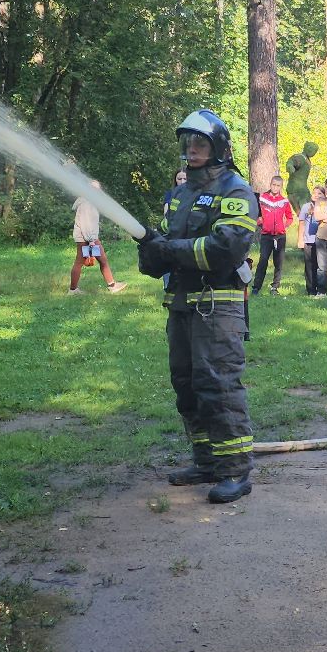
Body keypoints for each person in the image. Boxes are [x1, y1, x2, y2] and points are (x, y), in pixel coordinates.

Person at [136, 110, 258, 504]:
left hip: (217, 308)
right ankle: (206, 459)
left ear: (219, 147)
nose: (191, 150)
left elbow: (227, 248)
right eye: (187, 142)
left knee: (217, 384)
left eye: (200, 143)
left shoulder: (236, 191)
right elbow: (168, 255)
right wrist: (152, 252)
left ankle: (234, 470)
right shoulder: (179, 194)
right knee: (186, 384)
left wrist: (171, 249)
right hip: (181, 305)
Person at [70, 181, 126, 295]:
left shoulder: (89, 202)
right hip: (88, 239)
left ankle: (74, 289)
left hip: (86, 239)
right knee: (97, 261)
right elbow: (86, 224)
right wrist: (91, 241)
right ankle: (112, 286)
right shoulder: (87, 204)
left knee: (97, 260)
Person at [252, 174, 293, 295]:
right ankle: (256, 287)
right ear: (270, 185)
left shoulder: (284, 201)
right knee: (263, 260)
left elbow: (290, 217)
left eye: (278, 186)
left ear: (281, 187)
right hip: (266, 235)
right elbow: (256, 213)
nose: (275, 187)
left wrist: (283, 225)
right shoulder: (262, 198)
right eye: (274, 185)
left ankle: (275, 287)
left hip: (280, 236)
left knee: (278, 262)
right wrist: (261, 223)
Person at [299, 184, 323, 296]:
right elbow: (302, 223)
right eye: (314, 193)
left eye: (319, 193)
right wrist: (300, 240)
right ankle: (311, 289)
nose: (316, 195)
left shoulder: (324, 206)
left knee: (320, 265)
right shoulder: (306, 206)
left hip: (321, 240)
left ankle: (321, 288)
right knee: (309, 265)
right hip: (309, 240)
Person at [284, 141, 318, 212]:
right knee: (305, 213)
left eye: (315, 150)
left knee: (310, 211)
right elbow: (292, 161)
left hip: (303, 190)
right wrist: (290, 167)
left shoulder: (306, 159)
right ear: (306, 148)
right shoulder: (301, 157)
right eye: (310, 148)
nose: (312, 151)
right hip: (297, 191)